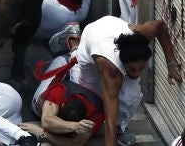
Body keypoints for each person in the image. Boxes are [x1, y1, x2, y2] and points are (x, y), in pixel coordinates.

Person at [70, 15, 183, 146]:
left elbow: (161, 26)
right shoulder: (109, 68)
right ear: (123, 63)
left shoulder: (142, 35)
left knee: (130, 96)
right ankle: (74, 51)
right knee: (88, 98)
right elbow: (110, 122)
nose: (137, 73)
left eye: (141, 68)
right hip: (91, 39)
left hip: (111, 25)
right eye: (133, 69)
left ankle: (121, 128)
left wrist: (171, 63)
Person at [20, 23, 104, 146]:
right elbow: (47, 121)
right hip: (55, 94)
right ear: (62, 103)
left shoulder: (96, 111)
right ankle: (72, 47)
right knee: (63, 63)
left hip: (82, 92)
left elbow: (74, 144)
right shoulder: (59, 91)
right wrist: (75, 126)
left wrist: (43, 134)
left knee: (72, 66)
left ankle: (72, 49)